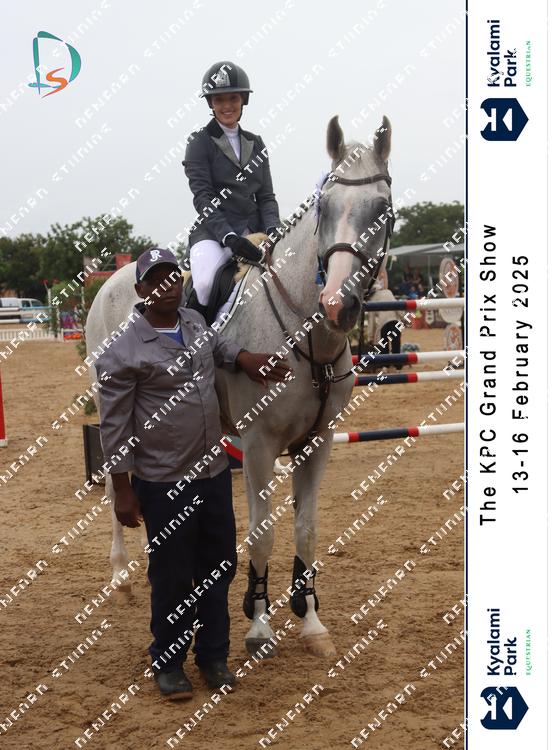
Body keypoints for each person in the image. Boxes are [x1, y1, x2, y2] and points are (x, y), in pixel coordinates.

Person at [96, 248, 288, 699]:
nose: (167, 287)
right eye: (156, 280)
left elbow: (219, 347)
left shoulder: (195, 323)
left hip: (213, 472)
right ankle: (168, 662)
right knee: (173, 576)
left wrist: (245, 358)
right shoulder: (123, 349)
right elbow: (114, 424)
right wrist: (121, 489)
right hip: (164, 480)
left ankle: (213, 657)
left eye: (173, 278)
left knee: (219, 567)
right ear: (141, 290)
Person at [183, 61, 282, 319]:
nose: (227, 106)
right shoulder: (199, 142)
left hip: (255, 232)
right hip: (214, 233)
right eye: (219, 99)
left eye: (233, 98)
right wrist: (228, 236)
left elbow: (266, 197)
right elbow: (203, 196)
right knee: (205, 284)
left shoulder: (256, 143)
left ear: (243, 100)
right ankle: (195, 340)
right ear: (211, 103)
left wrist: (273, 228)